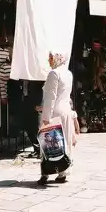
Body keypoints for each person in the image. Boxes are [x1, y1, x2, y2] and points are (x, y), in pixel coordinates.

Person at [38, 52, 76, 185]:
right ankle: (62, 172)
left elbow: (51, 97)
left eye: (50, 58)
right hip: (65, 111)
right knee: (63, 142)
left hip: (55, 112)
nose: (49, 61)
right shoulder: (68, 73)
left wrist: (46, 116)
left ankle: (46, 173)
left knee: (49, 143)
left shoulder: (54, 74)